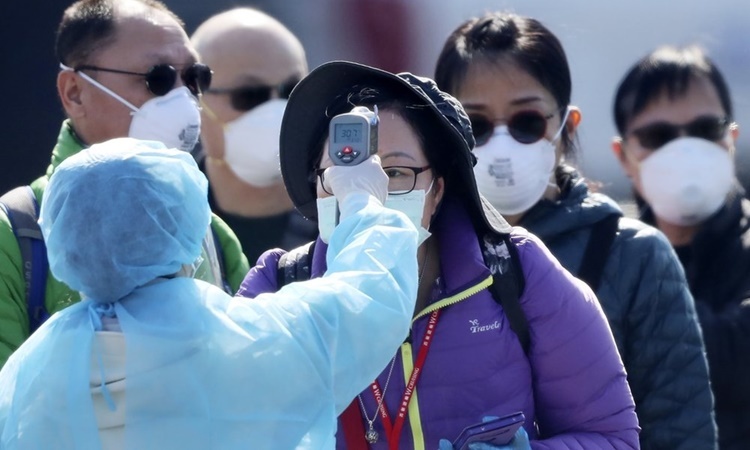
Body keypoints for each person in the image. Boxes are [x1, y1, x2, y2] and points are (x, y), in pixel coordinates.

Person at [237, 60, 640, 449]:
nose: (367, 193)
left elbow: (612, 436)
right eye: (345, 173)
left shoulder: (516, 273)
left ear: (438, 190)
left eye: (394, 173)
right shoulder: (279, 286)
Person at [0, 137, 419, 449]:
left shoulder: (28, 373)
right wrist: (362, 202)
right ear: (186, 230)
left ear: (63, 240)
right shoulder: (251, 339)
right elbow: (370, 294)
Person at [433, 12, 717, 450]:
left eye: (528, 122)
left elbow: (683, 433)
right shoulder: (418, 256)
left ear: (566, 127)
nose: (502, 147)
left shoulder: (633, 254)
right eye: (476, 125)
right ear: (445, 134)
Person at [0, 0, 249, 368]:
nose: (183, 98)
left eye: (195, 79)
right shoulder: (13, 236)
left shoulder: (212, 234)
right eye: (158, 78)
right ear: (74, 92)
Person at [611, 44, 749, 450]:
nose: (685, 150)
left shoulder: (611, 263)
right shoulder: (611, 250)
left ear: (731, 138)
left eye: (706, 130)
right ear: (623, 157)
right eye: (658, 136)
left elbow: (735, 362)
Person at [190, 7, 318, 263]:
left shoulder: (347, 209)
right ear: (195, 101)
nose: (277, 110)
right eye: (249, 95)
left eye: (292, 90)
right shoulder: (167, 213)